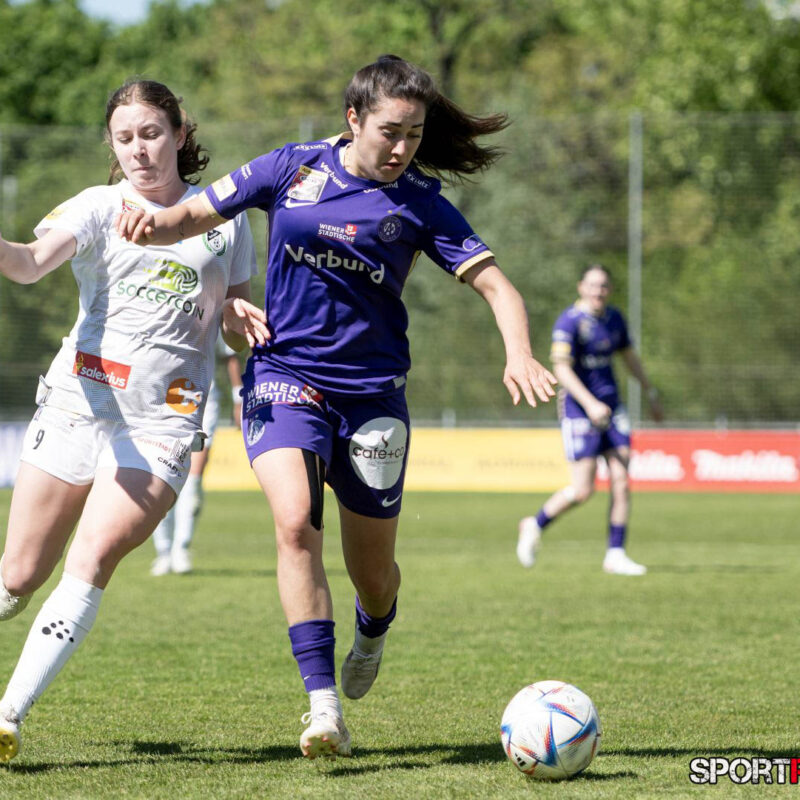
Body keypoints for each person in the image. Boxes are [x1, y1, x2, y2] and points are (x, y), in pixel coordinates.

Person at [116, 54, 557, 760]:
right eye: (390, 131)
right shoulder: (290, 168)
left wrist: (520, 352)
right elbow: (191, 214)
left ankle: (373, 628)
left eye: (414, 133)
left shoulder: (418, 201)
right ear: (353, 119)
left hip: (373, 399)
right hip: (284, 376)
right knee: (295, 523)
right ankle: (323, 709)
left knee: (374, 574)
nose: (402, 147)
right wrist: (149, 224)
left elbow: (499, 288)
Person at [0, 79, 266, 763]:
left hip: (161, 427)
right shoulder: (97, 206)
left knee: (89, 562)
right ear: (113, 148)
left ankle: (7, 717)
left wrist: (240, 319)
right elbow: (29, 267)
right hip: (77, 404)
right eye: (124, 139)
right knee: (18, 576)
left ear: (180, 132)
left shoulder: (227, 218)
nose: (139, 150)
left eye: (151, 133)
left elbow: (234, 319)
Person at [516, 263, 664, 576]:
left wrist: (650, 392)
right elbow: (562, 369)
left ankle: (615, 553)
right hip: (579, 409)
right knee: (583, 490)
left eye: (604, 286)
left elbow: (629, 357)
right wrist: (590, 403)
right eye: (593, 285)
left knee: (622, 479)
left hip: (612, 409)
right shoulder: (569, 322)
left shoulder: (614, 319)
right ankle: (534, 523)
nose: (599, 291)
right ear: (581, 287)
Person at [150, 336, 244, 576]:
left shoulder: (210, 304)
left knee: (192, 481)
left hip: (202, 399)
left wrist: (238, 396)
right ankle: (163, 551)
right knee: (160, 476)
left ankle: (181, 549)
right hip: (162, 397)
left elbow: (229, 354)